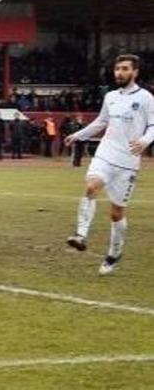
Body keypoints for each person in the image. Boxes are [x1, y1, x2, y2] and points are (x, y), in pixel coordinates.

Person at [64, 54, 154, 275]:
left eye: (124, 69)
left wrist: (145, 140)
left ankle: (114, 253)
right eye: (117, 69)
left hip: (128, 162)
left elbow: (153, 125)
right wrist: (78, 135)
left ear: (135, 72)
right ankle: (80, 235)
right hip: (105, 154)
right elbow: (102, 122)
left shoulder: (146, 98)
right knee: (91, 186)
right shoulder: (111, 96)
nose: (119, 73)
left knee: (116, 213)